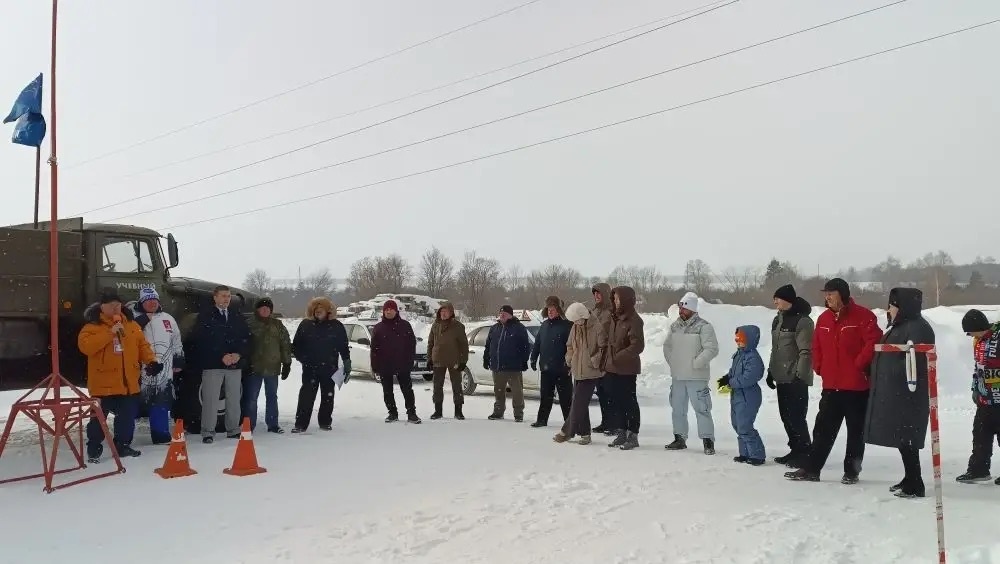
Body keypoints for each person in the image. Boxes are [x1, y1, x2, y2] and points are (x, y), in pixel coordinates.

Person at [786, 278, 882, 484]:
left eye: (831, 293)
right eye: (825, 294)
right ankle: (812, 469)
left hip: (857, 387)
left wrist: (859, 364)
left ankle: (851, 472)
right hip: (831, 386)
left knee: (855, 432)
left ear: (843, 294)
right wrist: (819, 366)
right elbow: (816, 346)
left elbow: (874, 341)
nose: (827, 297)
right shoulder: (823, 319)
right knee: (822, 430)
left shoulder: (864, 316)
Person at [864, 288, 935, 498]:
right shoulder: (900, 326)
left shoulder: (918, 328)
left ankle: (916, 484)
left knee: (908, 440)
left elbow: (916, 363)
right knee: (903, 440)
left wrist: (890, 372)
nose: (888, 310)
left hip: (909, 395)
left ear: (902, 307)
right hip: (897, 393)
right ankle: (910, 477)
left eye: (892, 306)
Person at [77, 292, 159, 462]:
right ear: (102, 307)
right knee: (98, 420)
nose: (115, 309)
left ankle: (123, 446)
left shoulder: (131, 325)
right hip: (102, 385)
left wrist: (151, 361)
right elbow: (86, 347)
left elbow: (142, 346)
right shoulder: (92, 326)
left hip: (128, 383)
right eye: (111, 306)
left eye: (117, 305)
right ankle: (94, 448)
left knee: (126, 418)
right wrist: (110, 333)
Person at [188, 285, 251, 444]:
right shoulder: (205, 316)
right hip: (213, 364)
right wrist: (220, 355)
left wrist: (238, 354)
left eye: (228, 296)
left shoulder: (237, 316)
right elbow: (202, 340)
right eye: (223, 296)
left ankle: (233, 430)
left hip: (234, 365)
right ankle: (208, 432)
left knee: (233, 400)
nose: (226, 299)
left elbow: (246, 338)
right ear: (215, 297)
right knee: (210, 400)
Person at [663, 293, 720, 455]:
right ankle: (679, 438)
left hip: (696, 376)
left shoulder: (704, 326)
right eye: (680, 307)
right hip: (678, 376)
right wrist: (673, 362)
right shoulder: (675, 326)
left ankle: (708, 441)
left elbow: (711, 349)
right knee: (677, 409)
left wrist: (696, 363)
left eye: (684, 308)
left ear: (693, 309)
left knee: (702, 409)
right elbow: (667, 346)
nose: (681, 311)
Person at [767, 284, 815, 467]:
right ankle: (795, 449)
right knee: (786, 416)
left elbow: (806, 351)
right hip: (781, 377)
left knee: (796, 417)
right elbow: (776, 349)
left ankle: (805, 452)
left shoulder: (802, 321)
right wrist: (771, 371)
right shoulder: (777, 320)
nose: (775, 302)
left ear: (787, 300)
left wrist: (800, 375)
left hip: (796, 378)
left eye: (777, 298)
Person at [131, 288, 184, 445]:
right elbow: (128, 336)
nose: (152, 303)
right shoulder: (132, 318)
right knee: (133, 404)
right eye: (148, 300)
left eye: (155, 300)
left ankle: (161, 435)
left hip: (163, 370)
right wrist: (142, 320)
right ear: (141, 302)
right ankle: (125, 439)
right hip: (139, 370)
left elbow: (176, 341)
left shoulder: (168, 318)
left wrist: (179, 359)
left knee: (161, 402)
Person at [291, 297, 350, 432]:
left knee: (327, 396)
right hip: (310, 368)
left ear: (328, 311)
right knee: (306, 397)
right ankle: (300, 424)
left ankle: (325, 422)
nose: (318, 312)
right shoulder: (305, 325)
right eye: (316, 309)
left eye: (321, 309)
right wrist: (303, 359)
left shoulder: (336, 326)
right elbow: (296, 346)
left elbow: (343, 346)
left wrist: (347, 362)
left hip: (330, 368)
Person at [956, 309, 1000, 485]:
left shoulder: (998, 338)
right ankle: (978, 470)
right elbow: (978, 368)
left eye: (970, 331)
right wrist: (975, 388)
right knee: (980, 436)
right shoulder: (978, 342)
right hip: (984, 398)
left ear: (978, 327)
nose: (970, 335)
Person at [553, 302, 606, 445]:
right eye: (574, 321)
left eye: (576, 320)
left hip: (592, 372)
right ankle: (585, 434)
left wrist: (594, 360)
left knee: (578, 403)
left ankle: (566, 432)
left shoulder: (597, 327)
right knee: (580, 403)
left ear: (583, 316)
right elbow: (570, 345)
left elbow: (604, 348)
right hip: (577, 370)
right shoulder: (575, 327)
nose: (575, 323)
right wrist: (569, 359)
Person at [602, 286, 645, 450]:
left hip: (627, 369)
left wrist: (618, 357)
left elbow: (637, 346)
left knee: (628, 401)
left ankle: (633, 435)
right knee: (616, 401)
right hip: (612, 368)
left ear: (626, 300)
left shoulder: (634, 320)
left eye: (618, 299)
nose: (615, 301)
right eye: (613, 299)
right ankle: (622, 431)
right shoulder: (615, 317)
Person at [718, 325, 766, 465]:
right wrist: (726, 379)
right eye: (737, 339)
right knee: (737, 425)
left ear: (750, 340)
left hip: (748, 396)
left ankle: (757, 455)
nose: (738, 342)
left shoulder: (753, 358)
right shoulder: (739, 355)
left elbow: (750, 377)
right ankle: (745, 453)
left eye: (741, 339)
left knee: (745, 425)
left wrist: (732, 382)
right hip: (737, 395)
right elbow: (733, 371)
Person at [244, 297, 292, 434]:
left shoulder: (277, 325)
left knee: (272, 396)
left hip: (272, 367)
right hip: (253, 367)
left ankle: (273, 424)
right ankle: (249, 425)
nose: (265, 310)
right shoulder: (249, 324)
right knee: (251, 398)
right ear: (257, 309)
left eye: (268, 308)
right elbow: (242, 344)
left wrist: (287, 363)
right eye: (262, 308)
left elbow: (285, 344)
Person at [372, 300, 421, 424]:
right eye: (386, 309)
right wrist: (375, 365)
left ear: (396, 311)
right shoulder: (378, 328)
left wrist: (410, 360)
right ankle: (392, 413)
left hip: (402, 363)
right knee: (387, 391)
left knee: (407, 390)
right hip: (385, 364)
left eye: (391, 309)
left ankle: (412, 413)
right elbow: (374, 349)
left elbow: (411, 344)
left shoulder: (405, 325)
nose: (388, 311)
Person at [530, 296, 573, 428]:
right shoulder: (544, 325)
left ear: (559, 310)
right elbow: (537, 343)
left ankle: (570, 422)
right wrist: (533, 358)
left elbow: (572, 347)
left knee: (566, 398)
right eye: (548, 309)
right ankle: (542, 420)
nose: (550, 311)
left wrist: (569, 364)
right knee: (545, 396)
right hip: (546, 368)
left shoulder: (567, 325)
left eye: (553, 309)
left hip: (562, 369)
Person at [484, 305, 532, 422]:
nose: (502, 315)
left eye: (504, 314)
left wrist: (524, 361)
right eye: (500, 313)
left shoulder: (519, 328)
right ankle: (498, 412)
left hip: (513, 367)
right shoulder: (495, 328)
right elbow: (488, 345)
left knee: (517, 392)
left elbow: (526, 347)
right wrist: (486, 358)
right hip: (497, 366)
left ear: (510, 315)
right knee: (498, 391)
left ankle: (518, 413)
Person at [427, 301, 469, 420]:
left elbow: (464, 345)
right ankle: (438, 411)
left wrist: (463, 361)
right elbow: (430, 343)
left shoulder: (458, 326)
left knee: (456, 385)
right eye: (442, 311)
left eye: (446, 311)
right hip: (438, 359)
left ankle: (458, 411)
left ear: (451, 313)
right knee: (437, 386)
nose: (443, 313)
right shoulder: (435, 325)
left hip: (454, 360)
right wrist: (429, 358)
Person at [590, 283, 615, 435]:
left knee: (610, 392)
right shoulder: (594, 311)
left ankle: (614, 424)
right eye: (594, 293)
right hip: (596, 357)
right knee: (601, 392)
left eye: (599, 293)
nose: (596, 296)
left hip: (608, 356)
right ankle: (605, 421)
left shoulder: (611, 312)